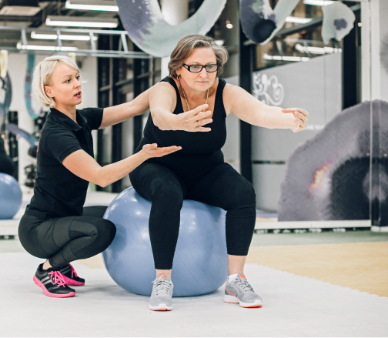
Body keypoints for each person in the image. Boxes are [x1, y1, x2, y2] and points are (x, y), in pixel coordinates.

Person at [129, 34, 309, 311]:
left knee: (243, 193)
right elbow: (159, 116)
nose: (204, 73)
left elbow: (260, 112)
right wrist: (179, 121)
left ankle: (235, 280)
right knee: (167, 192)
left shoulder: (226, 92)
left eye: (210, 66)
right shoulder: (165, 88)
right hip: (157, 165)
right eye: (195, 66)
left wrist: (289, 119)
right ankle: (162, 280)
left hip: (205, 170)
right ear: (178, 68)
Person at [18, 55, 181, 298]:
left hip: (64, 217)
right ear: (48, 90)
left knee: (113, 216)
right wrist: (144, 155)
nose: (77, 84)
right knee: (101, 230)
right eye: (67, 81)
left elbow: (133, 106)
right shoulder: (56, 133)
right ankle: (48, 268)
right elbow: (101, 176)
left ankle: (60, 264)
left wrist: (171, 82)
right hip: (39, 229)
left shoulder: (81, 118)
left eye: (76, 78)